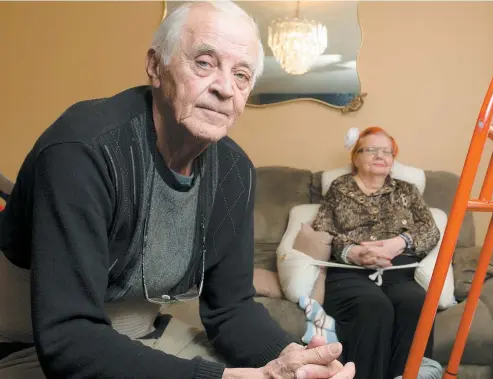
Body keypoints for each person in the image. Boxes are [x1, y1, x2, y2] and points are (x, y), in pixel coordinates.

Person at [0, 2, 356, 379]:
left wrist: (293, 359)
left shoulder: (235, 171)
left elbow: (230, 309)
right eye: (204, 62)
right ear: (156, 66)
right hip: (31, 342)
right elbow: (67, 338)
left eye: (241, 75)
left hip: (139, 338)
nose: (224, 88)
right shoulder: (83, 150)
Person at [312, 126, 441, 379]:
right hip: (350, 273)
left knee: (417, 303)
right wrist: (353, 252)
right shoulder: (339, 188)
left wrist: (401, 242)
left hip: (398, 272)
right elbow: (322, 231)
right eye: (371, 150)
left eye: (387, 151)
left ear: (393, 159)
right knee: (374, 306)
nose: (380, 156)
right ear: (356, 157)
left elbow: (430, 229)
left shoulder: (407, 191)